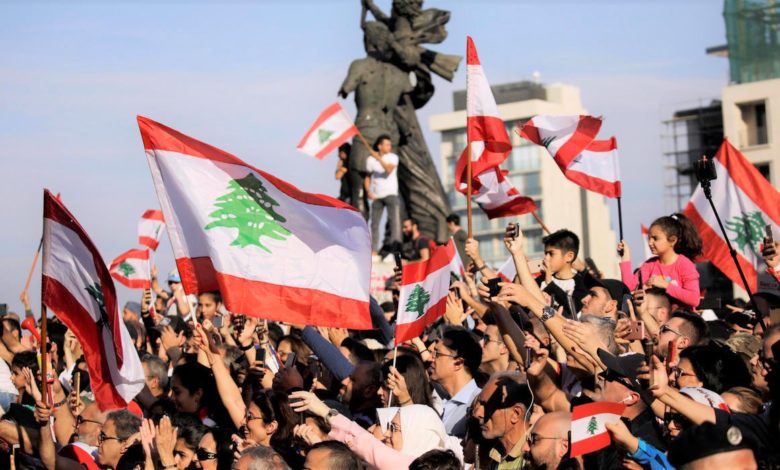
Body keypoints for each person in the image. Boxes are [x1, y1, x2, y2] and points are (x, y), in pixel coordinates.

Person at [619, 213, 703, 309]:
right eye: (649, 238)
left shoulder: (685, 265)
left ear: (673, 240)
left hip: (680, 317)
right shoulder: (649, 265)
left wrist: (665, 285)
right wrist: (626, 256)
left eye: (655, 238)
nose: (650, 243)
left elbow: (694, 299)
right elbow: (629, 286)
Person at [472, 372, 533, 470]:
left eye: (488, 406)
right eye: (480, 404)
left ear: (515, 414)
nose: (478, 413)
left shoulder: (534, 456)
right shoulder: (494, 455)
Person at [430, 327, 482, 438]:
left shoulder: (478, 403)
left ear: (458, 363)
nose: (431, 358)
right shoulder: (444, 402)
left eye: (437, 354)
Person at [365, 134, 401, 255]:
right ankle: (374, 250)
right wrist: (368, 191)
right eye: (387, 145)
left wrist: (379, 158)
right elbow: (368, 177)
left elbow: (388, 169)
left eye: (390, 145)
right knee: (374, 224)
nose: (389, 147)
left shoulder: (393, 157)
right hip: (377, 196)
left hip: (391, 193)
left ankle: (395, 250)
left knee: (394, 222)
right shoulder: (370, 160)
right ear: (379, 146)